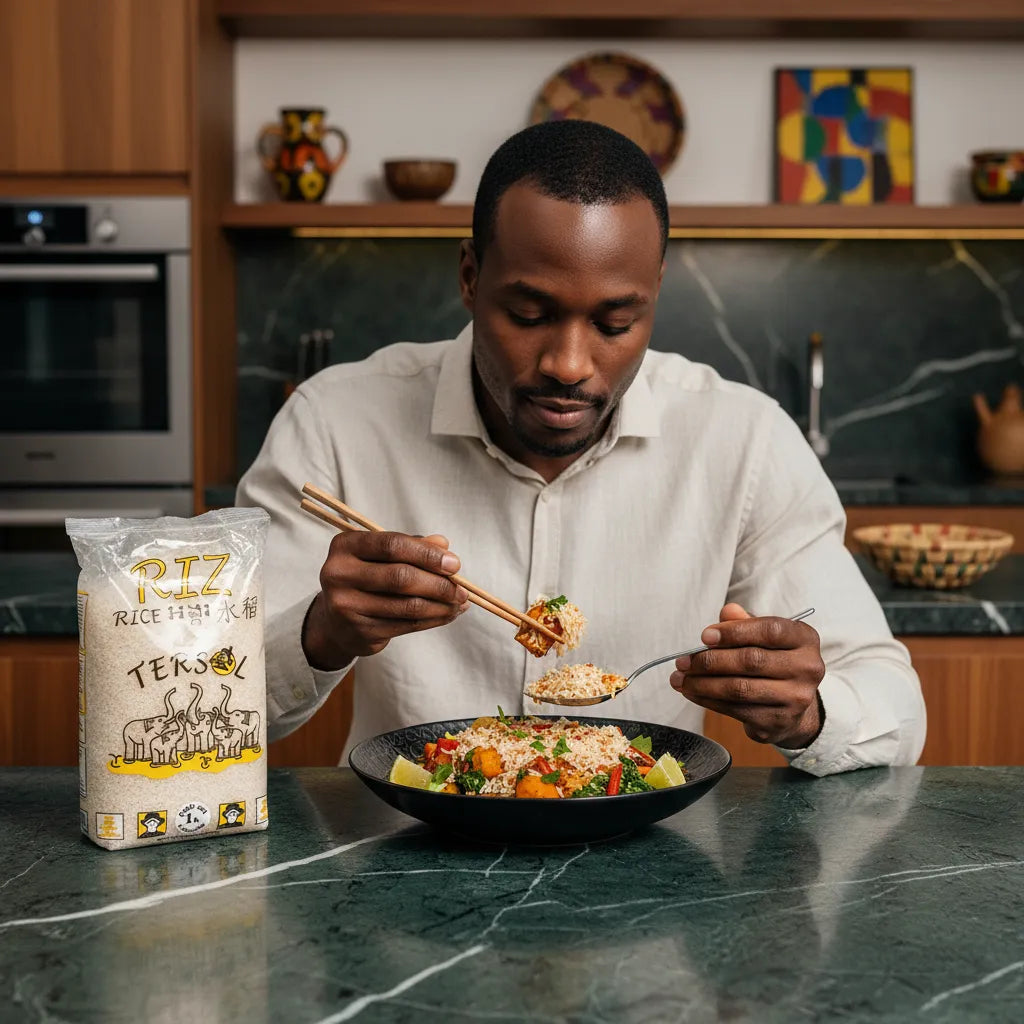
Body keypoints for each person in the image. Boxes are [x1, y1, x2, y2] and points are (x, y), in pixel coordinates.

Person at [238, 120, 925, 776]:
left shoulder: (744, 440)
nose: (569, 362)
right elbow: (207, 703)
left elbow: (896, 710)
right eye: (529, 315)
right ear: (471, 276)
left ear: (654, 293)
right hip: (400, 852)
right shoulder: (334, 420)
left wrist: (807, 712)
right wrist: (321, 634)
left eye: (614, 322)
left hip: (648, 871)